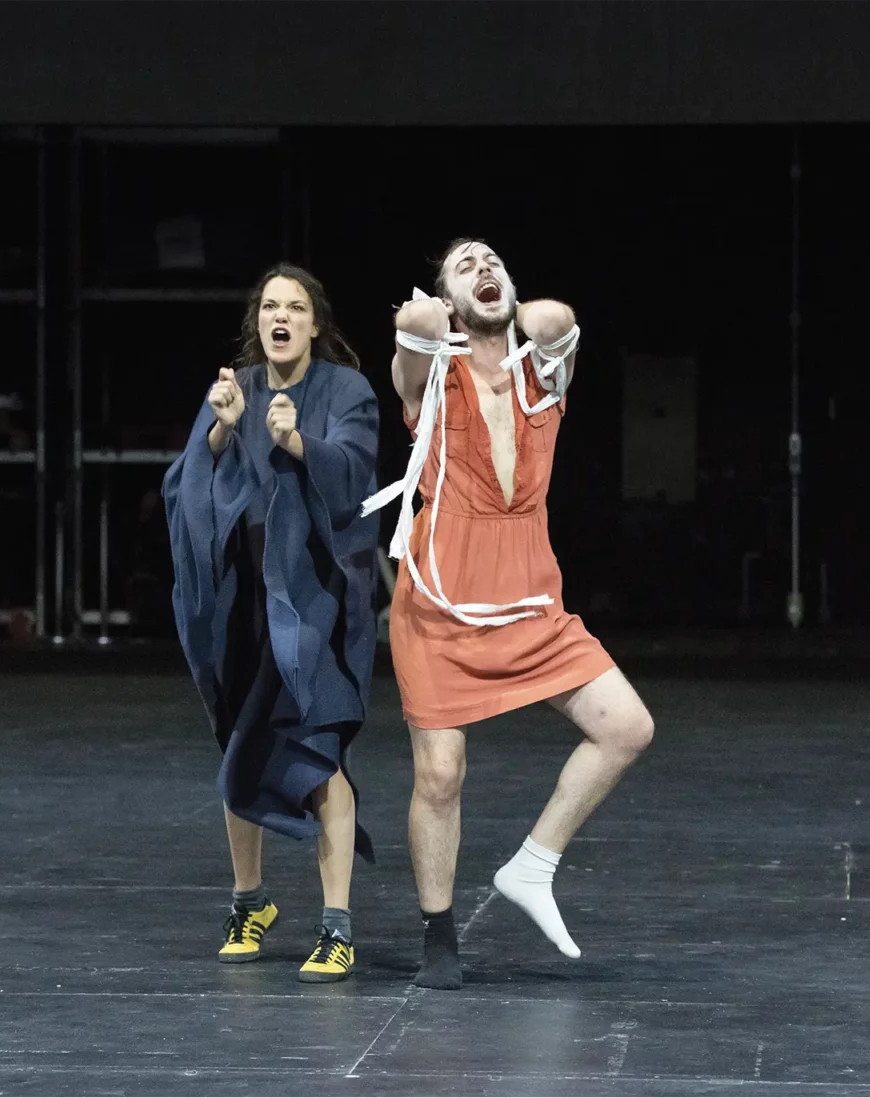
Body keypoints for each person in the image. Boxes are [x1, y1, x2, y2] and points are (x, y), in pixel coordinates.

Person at [361, 239, 655, 990]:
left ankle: (532, 865)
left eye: (493, 260)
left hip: (526, 589)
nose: (483, 268)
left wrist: (491, 299)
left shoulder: (543, 372)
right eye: (465, 264)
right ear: (449, 301)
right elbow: (413, 337)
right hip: (440, 593)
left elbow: (556, 319)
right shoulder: (428, 373)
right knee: (441, 773)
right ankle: (438, 939)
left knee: (627, 727)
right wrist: (435, 313)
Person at [164, 263, 381, 983]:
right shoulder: (237, 388)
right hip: (244, 607)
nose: (279, 316)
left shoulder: (345, 390)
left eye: (294, 307)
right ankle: (249, 901)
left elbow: (356, 476)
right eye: (268, 306)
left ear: (315, 323)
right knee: (242, 749)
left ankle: (337, 924)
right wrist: (222, 435)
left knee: (319, 750)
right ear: (257, 321)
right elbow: (185, 486)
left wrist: (296, 445)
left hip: (315, 604)